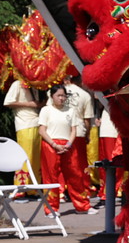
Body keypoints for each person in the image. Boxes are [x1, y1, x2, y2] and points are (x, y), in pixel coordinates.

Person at [37, 84, 96, 215]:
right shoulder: (46, 110)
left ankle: (83, 206)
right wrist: (54, 144)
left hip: (68, 145)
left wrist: (68, 144)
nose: (61, 98)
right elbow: (42, 130)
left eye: (63, 96)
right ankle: (51, 208)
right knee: (51, 176)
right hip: (50, 144)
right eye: (58, 95)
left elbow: (74, 129)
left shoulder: (71, 110)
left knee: (75, 174)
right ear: (52, 96)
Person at [3, 79, 44, 197]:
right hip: (24, 124)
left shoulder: (36, 84)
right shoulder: (17, 84)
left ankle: (32, 189)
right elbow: (7, 102)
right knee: (25, 157)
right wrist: (29, 104)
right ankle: (20, 191)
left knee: (36, 159)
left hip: (37, 122)